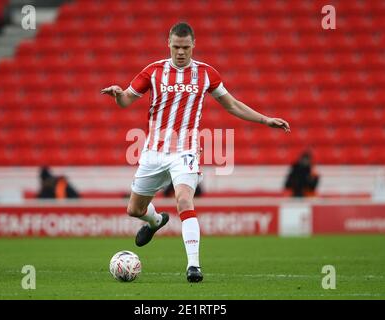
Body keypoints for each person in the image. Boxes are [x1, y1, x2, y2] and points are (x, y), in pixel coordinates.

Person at [100, 22, 290, 282]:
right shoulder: (153, 72)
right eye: (176, 47)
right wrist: (118, 95)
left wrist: (264, 119)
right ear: (168, 43)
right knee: (134, 209)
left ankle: (193, 266)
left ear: (193, 45)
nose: (181, 52)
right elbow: (126, 102)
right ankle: (156, 222)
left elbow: (232, 105)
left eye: (186, 47)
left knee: (184, 200)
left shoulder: (206, 74)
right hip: (153, 152)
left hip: (185, 151)